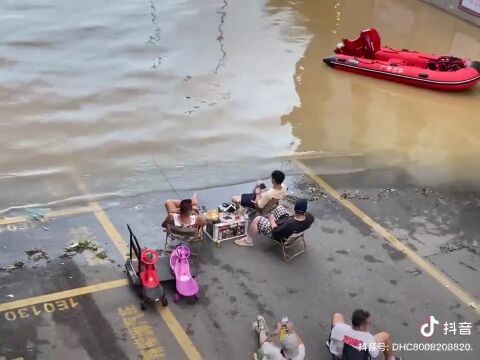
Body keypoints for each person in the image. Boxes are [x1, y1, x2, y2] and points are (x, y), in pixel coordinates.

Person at [235, 199, 313, 247]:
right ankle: (256, 231)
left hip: (279, 234)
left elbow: (276, 231)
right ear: (304, 212)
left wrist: (272, 220)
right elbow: (294, 217)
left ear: (295, 209)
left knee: (257, 219)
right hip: (288, 227)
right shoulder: (310, 217)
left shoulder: (290, 224)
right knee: (280, 208)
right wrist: (289, 215)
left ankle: (249, 241)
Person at [328, 309, 402, 360]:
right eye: (369, 323)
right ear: (361, 326)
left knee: (337, 315)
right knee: (385, 336)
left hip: (338, 356)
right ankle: (390, 358)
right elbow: (374, 355)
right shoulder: (368, 339)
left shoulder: (339, 328)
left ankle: (330, 344)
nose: (370, 325)